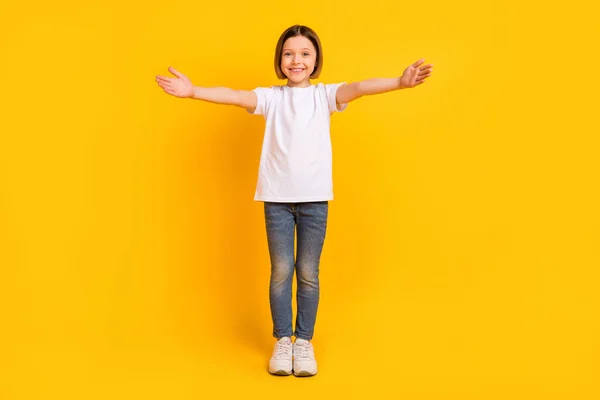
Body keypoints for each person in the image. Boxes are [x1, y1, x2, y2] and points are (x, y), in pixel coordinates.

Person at [155, 24, 433, 377]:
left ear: (316, 60)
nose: (296, 60)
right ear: (280, 59)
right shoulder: (271, 98)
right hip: (277, 201)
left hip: (315, 201)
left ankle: (304, 342)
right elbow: (235, 95)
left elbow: (360, 87)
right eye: (289, 53)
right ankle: (282, 340)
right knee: (281, 272)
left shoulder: (325, 96)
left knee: (308, 273)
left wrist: (400, 81)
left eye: (304, 54)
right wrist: (193, 91)